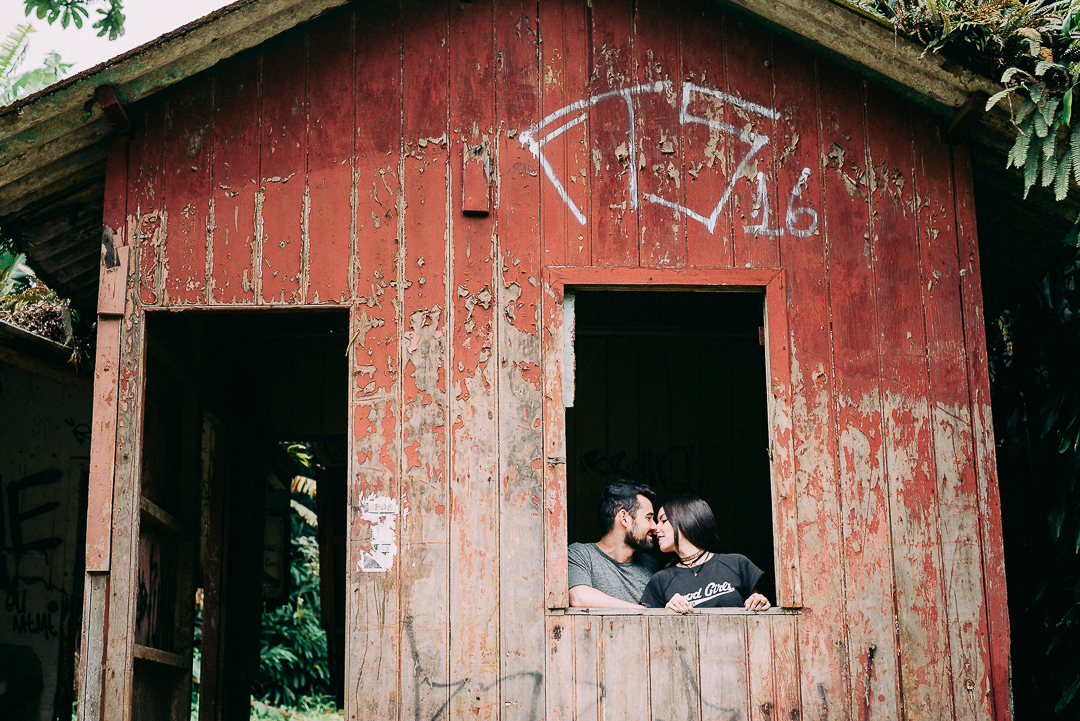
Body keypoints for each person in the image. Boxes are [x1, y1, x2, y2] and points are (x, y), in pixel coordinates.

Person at [639, 494, 771, 612]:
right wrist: (666, 613)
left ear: (685, 518)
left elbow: (759, 615)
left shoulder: (736, 564)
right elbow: (650, 631)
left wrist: (758, 601)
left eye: (663, 520)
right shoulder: (661, 580)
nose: (655, 528)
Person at [567, 480, 659, 608]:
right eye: (648, 518)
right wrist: (641, 611)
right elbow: (579, 598)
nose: (655, 526)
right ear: (624, 518)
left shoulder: (650, 565)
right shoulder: (581, 555)